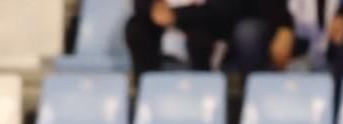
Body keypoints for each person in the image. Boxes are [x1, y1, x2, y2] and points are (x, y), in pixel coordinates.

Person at [126, 0, 296, 77]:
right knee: (135, 28)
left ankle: (205, 96)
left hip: (206, 23)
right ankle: (144, 90)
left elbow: (225, 9)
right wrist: (152, 8)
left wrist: (177, 16)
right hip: (162, 23)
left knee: (201, 38)